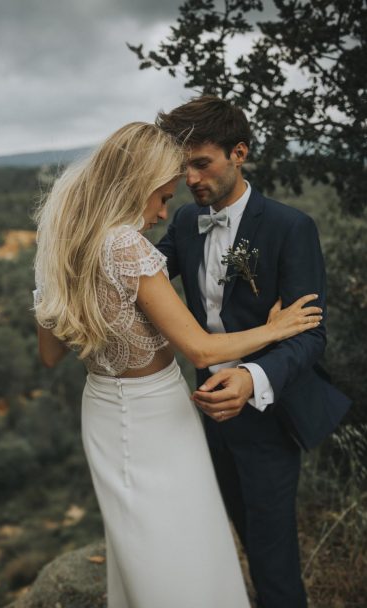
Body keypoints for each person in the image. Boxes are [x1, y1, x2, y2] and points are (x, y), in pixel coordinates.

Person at [33, 122, 323, 608]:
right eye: (162, 196)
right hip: (153, 416)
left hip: (106, 411)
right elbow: (202, 350)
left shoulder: (65, 241)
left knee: (146, 543)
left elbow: (48, 354)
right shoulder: (126, 244)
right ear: (135, 186)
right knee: (178, 545)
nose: (165, 211)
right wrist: (276, 327)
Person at [155, 96, 352, 608]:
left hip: (268, 410)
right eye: (183, 167)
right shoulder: (181, 223)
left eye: (203, 163)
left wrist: (251, 378)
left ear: (238, 152)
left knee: (273, 556)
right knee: (234, 535)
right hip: (206, 411)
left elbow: (310, 334)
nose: (191, 178)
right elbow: (139, 280)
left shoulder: (291, 228)